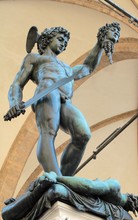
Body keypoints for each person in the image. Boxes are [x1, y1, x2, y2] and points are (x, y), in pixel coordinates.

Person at [4, 23, 121, 176]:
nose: (63, 43)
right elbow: (17, 83)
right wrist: (14, 103)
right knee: (48, 132)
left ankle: (65, 180)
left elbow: (88, 67)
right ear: (47, 39)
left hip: (65, 100)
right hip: (47, 92)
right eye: (60, 39)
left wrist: (99, 43)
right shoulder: (35, 58)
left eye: (65, 42)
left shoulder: (67, 68)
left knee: (83, 135)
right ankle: (55, 177)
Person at [1, 172, 138, 220]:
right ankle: (38, 190)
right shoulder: (114, 188)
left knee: (55, 191)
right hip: (62, 189)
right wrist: (57, 178)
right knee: (55, 190)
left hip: (59, 190)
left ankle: (37, 190)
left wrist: (55, 180)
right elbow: (89, 187)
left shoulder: (118, 213)